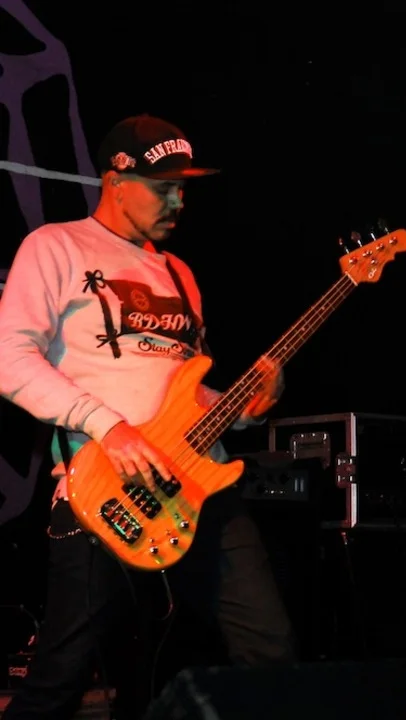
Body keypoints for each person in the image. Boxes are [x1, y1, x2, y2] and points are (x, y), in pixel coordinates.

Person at [0, 114, 294, 719]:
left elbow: (185, 389)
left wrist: (243, 406)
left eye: (183, 188)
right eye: (165, 188)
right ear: (116, 181)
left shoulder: (179, 274)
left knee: (271, 652)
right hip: (106, 487)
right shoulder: (56, 246)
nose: (178, 201)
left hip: (199, 488)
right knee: (61, 677)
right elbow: (9, 359)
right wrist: (107, 426)